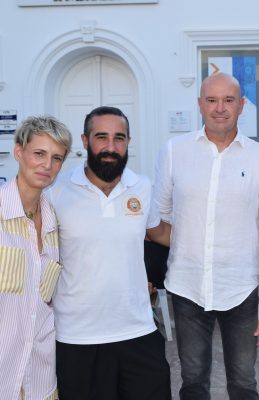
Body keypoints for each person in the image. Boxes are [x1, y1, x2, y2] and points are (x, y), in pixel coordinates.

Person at [153, 72, 259, 400]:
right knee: (193, 383)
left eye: (228, 100)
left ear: (242, 106)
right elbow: (157, 220)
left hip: (239, 291)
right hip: (187, 289)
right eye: (211, 100)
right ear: (200, 105)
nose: (220, 108)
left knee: (243, 385)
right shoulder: (174, 151)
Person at [47, 106, 172, 400]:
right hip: (77, 338)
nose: (111, 147)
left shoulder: (141, 187)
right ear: (85, 140)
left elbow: (161, 234)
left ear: (129, 142)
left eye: (119, 138)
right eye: (101, 137)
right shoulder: (56, 191)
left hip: (138, 331)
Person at [0, 116, 72, 400]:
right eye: (39, 154)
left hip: (41, 381)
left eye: (56, 158)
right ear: (19, 152)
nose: (47, 165)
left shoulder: (55, 221)